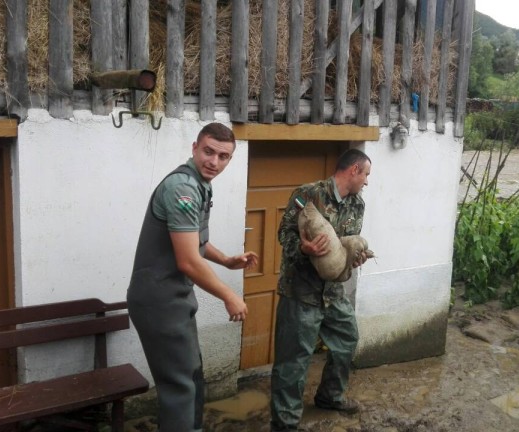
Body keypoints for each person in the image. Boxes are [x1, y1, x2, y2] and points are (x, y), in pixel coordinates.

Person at [127, 123, 258, 432]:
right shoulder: (183, 188)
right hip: (160, 300)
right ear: (194, 148)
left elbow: (193, 240)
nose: (214, 162)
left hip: (172, 297)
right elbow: (187, 260)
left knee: (190, 377)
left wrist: (226, 260)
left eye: (224, 156)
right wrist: (229, 295)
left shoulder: (200, 184)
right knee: (181, 386)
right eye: (208, 151)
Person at [270, 149, 372, 432]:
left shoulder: (357, 205)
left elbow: (343, 247)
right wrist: (304, 249)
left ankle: (329, 397)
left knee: (347, 340)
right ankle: (285, 423)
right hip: (300, 293)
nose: (366, 181)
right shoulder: (308, 194)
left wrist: (355, 255)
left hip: (333, 293)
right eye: (365, 174)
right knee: (293, 362)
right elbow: (285, 234)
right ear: (353, 170)